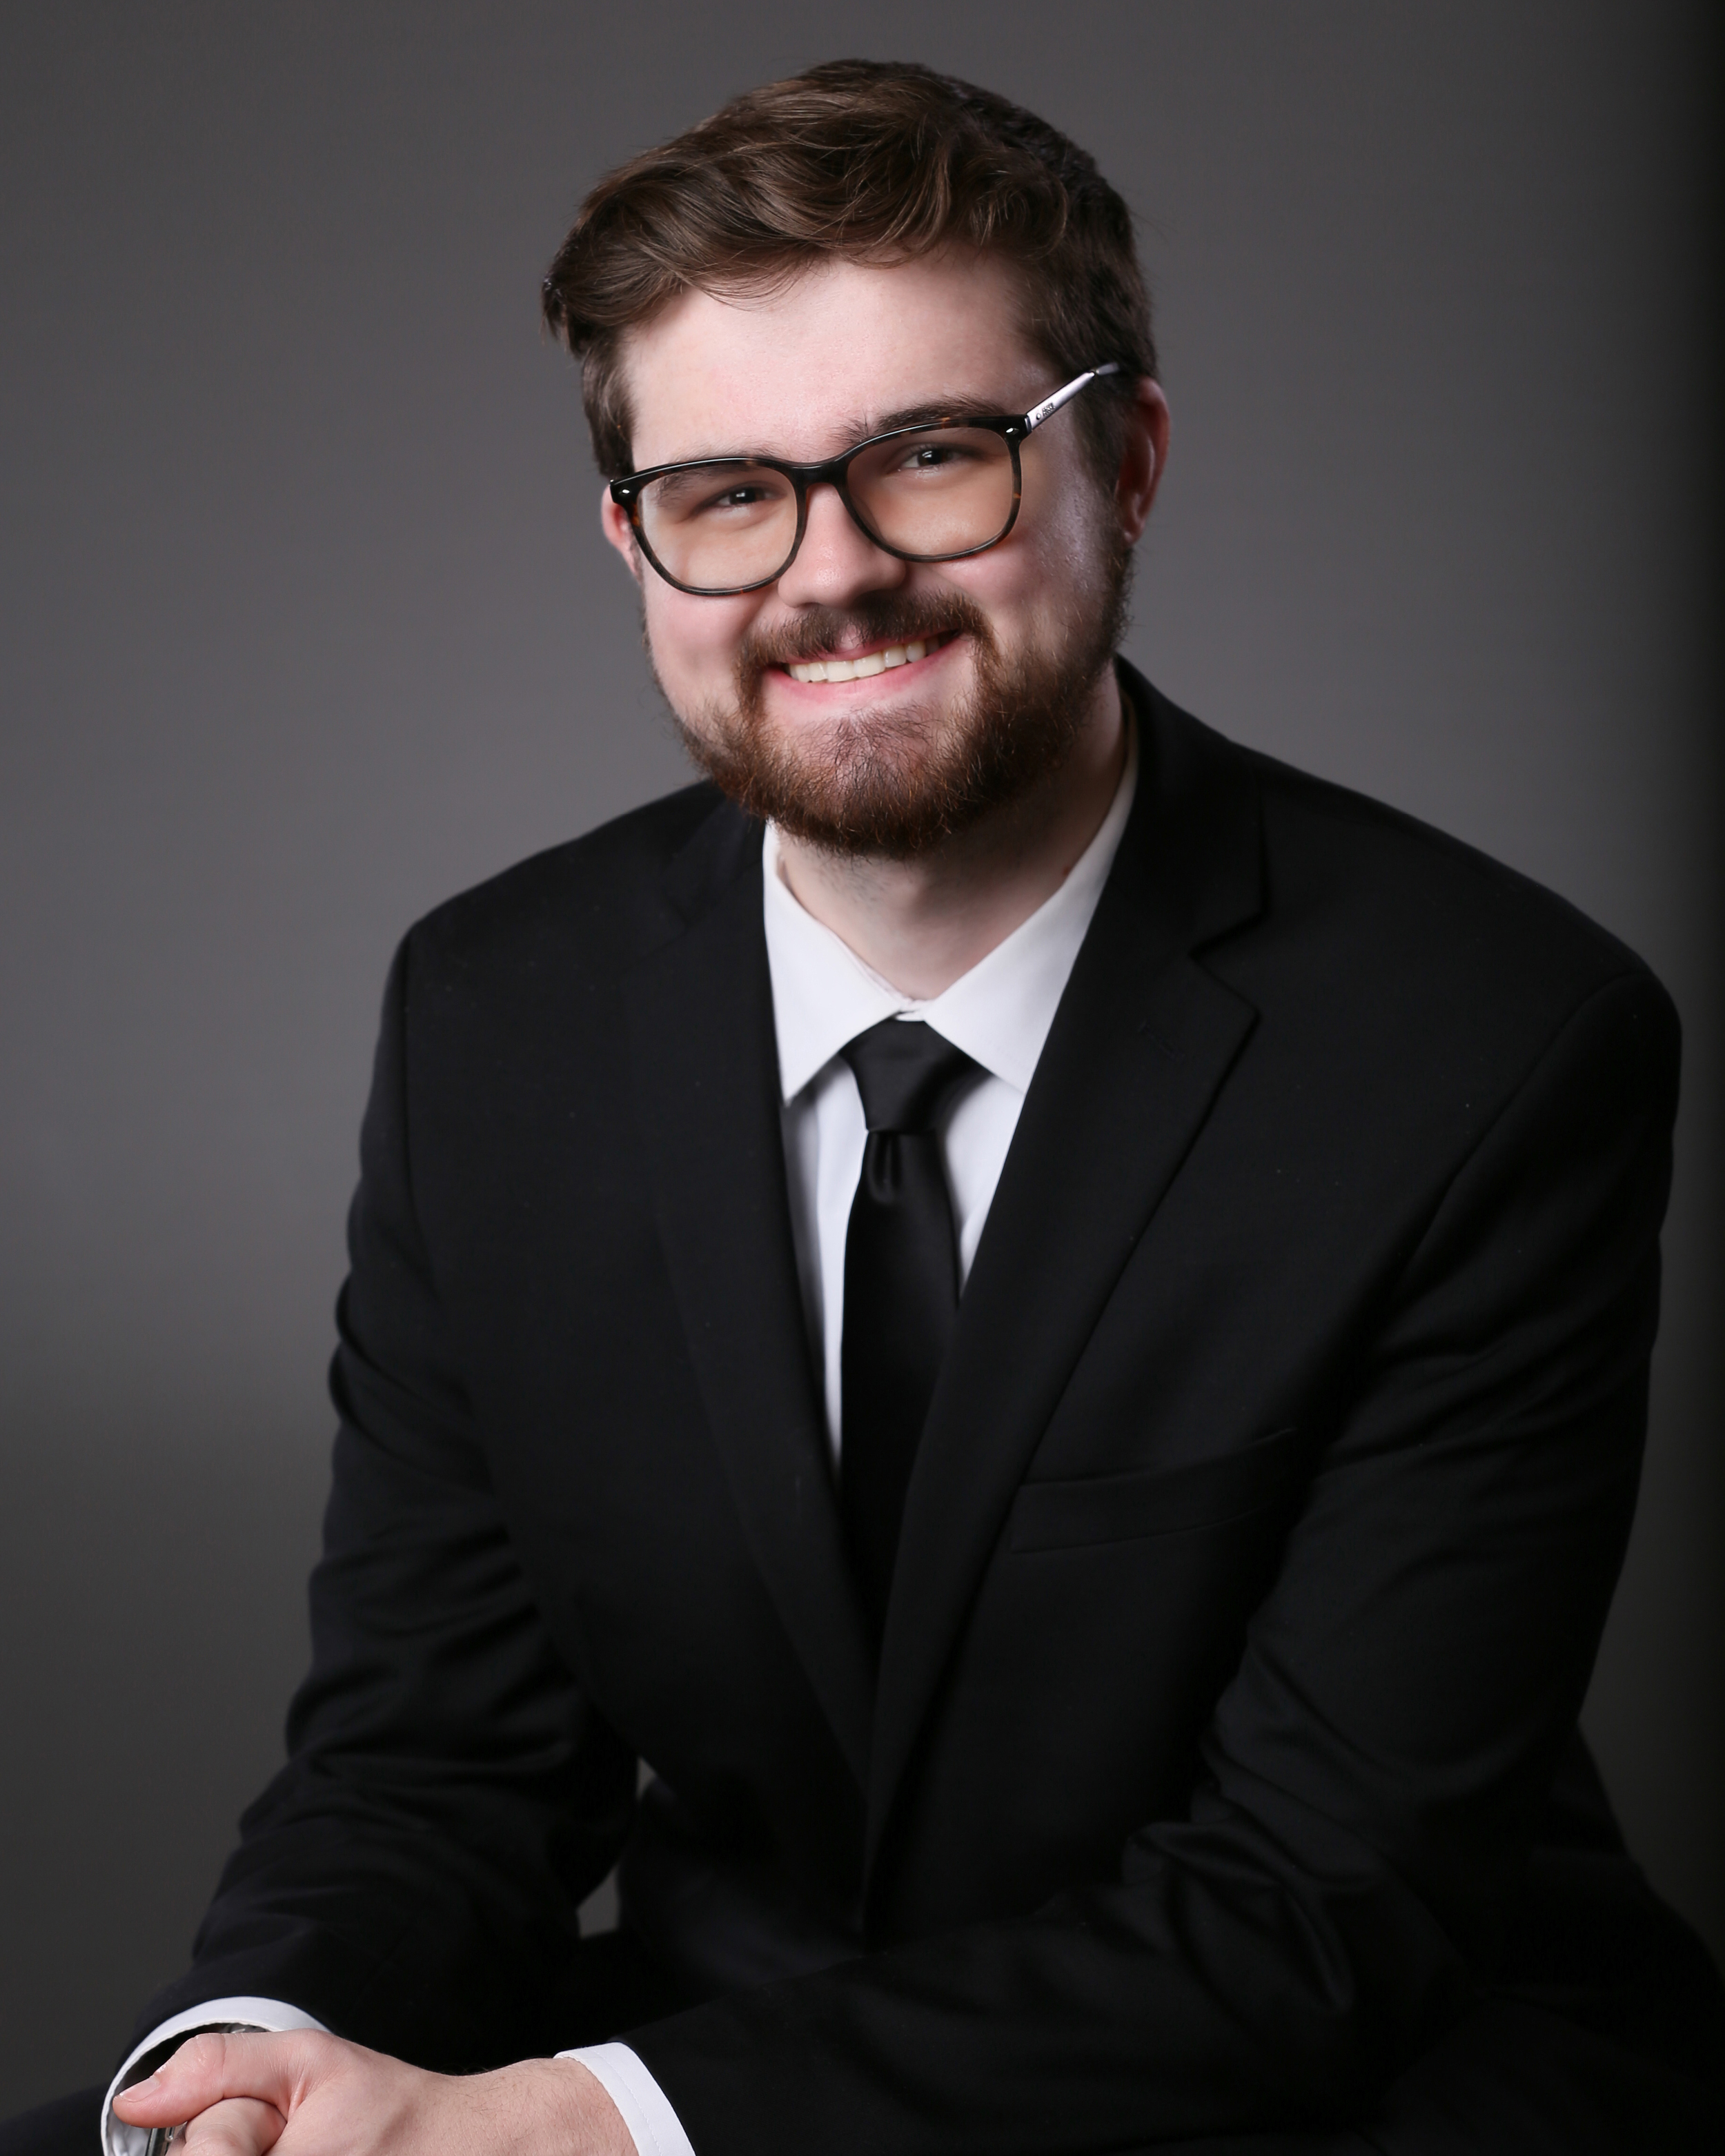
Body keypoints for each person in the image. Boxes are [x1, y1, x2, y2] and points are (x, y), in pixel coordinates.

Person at [7, 55, 1720, 2156]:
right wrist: (262, 2056)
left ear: (1129, 463)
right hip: (720, 2049)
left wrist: (586, 2132)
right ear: (635, 539)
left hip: (1337, 2078)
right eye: (727, 493)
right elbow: (431, 1764)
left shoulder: (1490, 1043)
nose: (829, 575)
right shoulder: (492, 1017)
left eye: (929, 457)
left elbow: (1317, 1906)